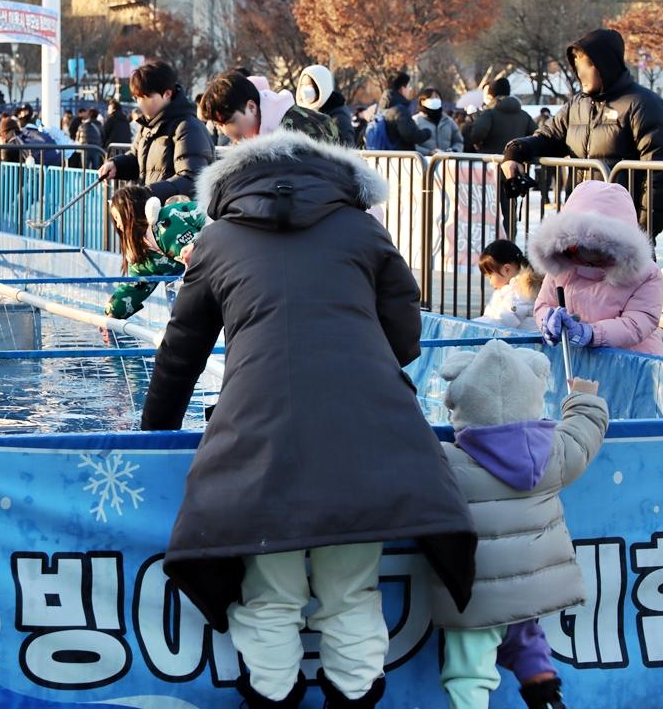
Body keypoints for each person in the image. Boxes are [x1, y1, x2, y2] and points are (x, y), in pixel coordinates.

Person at [140, 129, 476, 708]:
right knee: (351, 590)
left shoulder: (217, 240)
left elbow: (180, 352)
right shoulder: (364, 228)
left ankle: (272, 697)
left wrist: (153, 435)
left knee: (270, 595)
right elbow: (404, 330)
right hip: (367, 436)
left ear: (229, 185)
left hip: (258, 440)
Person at [434, 340, 608, 709]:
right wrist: (583, 399)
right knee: (526, 638)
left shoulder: (446, 463)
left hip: (476, 595)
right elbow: (584, 431)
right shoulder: (554, 452)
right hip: (533, 588)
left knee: (470, 667)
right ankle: (546, 696)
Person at [502, 29, 663, 240]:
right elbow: (548, 137)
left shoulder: (644, 104)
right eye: (577, 64)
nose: (580, 72)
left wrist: (640, 235)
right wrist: (515, 151)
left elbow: (660, 177)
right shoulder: (578, 104)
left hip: (621, 235)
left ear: (605, 64)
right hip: (578, 230)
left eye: (586, 64)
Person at [531, 180, 663, 355]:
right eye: (578, 245)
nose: (587, 255)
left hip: (631, 366)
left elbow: (638, 322)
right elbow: (544, 304)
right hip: (578, 361)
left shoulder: (647, 275)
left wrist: (590, 333)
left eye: (597, 247)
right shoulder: (561, 265)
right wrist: (548, 323)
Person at [97, 61, 214, 201]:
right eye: (137, 98)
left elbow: (191, 179)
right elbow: (137, 159)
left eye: (145, 97)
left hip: (173, 217)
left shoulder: (188, 127)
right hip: (151, 212)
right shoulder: (147, 125)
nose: (140, 103)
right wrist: (117, 165)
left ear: (167, 94)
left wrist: (148, 194)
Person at [104, 186, 193, 320]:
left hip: (216, 272)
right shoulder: (141, 252)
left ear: (131, 214)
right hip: (187, 281)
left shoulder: (168, 225)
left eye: (118, 218)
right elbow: (136, 285)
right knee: (180, 319)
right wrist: (112, 314)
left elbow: (209, 242)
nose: (117, 226)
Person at [199, 70, 339, 145]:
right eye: (218, 125)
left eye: (229, 122)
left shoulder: (300, 132)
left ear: (252, 107)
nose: (227, 132)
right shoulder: (247, 140)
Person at [470, 78, 537, 231]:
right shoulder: (523, 115)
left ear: (492, 94)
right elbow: (535, 135)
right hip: (514, 169)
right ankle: (509, 242)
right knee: (509, 210)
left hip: (489, 168)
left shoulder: (490, 113)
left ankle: (490, 246)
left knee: (488, 209)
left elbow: (477, 134)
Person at [477, 241, 541, 332]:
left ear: (506, 270)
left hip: (526, 344)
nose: (490, 282)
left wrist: (475, 325)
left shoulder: (521, 293)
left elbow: (503, 321)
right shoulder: (506, 291)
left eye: (490, 276)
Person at [371, 72, 431, 151]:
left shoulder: (380, 108)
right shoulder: (400, 111)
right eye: (408, 87)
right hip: (399, 159)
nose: (409, 90)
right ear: (402, 88)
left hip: (381, 157)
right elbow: (410, 135)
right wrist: (427, 132)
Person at [297, 64, 354, 146]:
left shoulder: (339, 117)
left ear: (322, 85)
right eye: (303, 84)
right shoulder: (304, 114)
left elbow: (348, 147)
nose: (305, 90)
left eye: (310, 84)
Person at [414, 87, 465, 156]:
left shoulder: (448, 121)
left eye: (437, 97)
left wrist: (454, 150)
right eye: (431, 98)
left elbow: (458, 141)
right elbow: (411, 145)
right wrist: (428, 152)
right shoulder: (415, 120)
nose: (435, 100)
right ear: (422, 101)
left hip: (446, 163)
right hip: (423, 163)